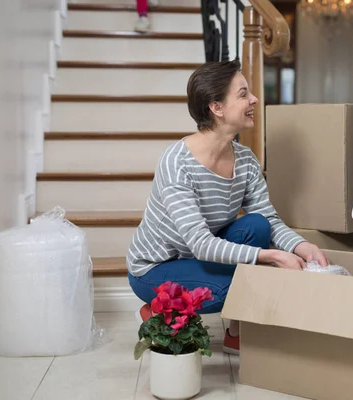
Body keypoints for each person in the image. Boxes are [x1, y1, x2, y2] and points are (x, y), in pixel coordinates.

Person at [127, 59, 329, 355]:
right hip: (155, 269)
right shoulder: (177, 162)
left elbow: (268, 221)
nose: (254, 100)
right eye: (244, 94)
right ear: (217, 107)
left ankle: (236, 332)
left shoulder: (245, 160)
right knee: (239, 284)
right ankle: (159, 310)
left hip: (198, 258)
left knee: (257, 225)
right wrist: (269, 258)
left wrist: (300, 246)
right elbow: (200, 244)